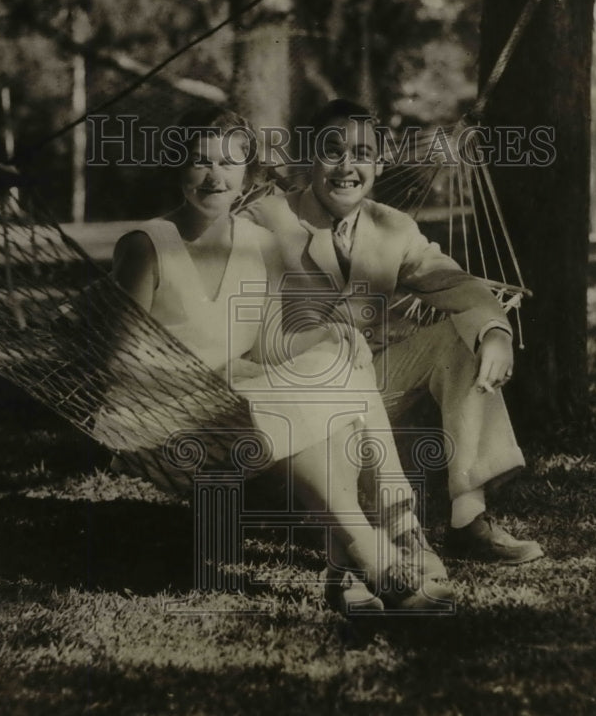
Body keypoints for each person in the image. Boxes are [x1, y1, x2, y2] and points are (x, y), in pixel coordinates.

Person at [107, 105, 453, 613]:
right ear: (177, 167)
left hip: (239, 408)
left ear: (248, 171)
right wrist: (212, 377)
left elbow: (270, 346)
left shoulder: (260, 245)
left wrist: (328, 337)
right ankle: (376, 552)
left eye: (229, 163)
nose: (214, 177)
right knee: (295, 399)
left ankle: (356, 566)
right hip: (161, 421)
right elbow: (118, 365)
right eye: (199, 162)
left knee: (340, 362)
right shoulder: (146, 247)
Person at [238, 99, 544, 566]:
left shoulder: (391, 228)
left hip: (369, 387)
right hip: (290, 395)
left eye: (361, 153)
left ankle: (468, 517)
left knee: (460, 337)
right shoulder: (266, 220)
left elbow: (455, 283)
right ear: (310, 160)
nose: (347, 166)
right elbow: (238, 322)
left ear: (380, 163)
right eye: (332, 151)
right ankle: (390, 530)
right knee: (338, 361)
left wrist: (495, 329)